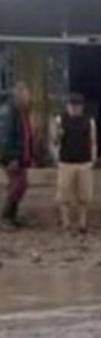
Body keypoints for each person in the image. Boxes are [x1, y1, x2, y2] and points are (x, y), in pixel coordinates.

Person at [54, 93, 97, 234]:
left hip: (84, 161)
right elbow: (54, 141)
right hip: (65, 161)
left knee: (84, 195)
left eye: (77, 106)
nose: (74, 108)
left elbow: (93, 140)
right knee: (64, 194)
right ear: (67, 106)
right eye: (72, 105)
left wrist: (93, 158)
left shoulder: (89, 121)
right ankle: (66, 222)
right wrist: (56, 156)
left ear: (81, 107)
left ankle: (82, 223)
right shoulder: (60, 120)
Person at [0, 81, 34, 229]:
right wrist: (11, 157)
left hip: (21, 155)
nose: (28, 97)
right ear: (18, 94)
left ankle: (13, 216)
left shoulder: (22, 110)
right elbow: (5, 137)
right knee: (16, 185)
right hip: (11, 156)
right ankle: (5, 217)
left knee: (22, 185)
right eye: (26, 93)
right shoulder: (9, 111)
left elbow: (26, 134)